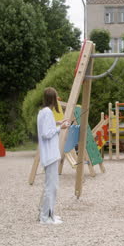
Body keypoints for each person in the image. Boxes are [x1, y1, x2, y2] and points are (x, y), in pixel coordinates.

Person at [37, 87, 69, 225]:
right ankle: (46, 218)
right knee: (51, 186)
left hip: (49, 154)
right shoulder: (48, 112)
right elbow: (46, 133)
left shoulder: (43, 112)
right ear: (53, 99)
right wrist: (59, 128)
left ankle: (48, 214)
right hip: (50, 155)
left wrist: (58, 122)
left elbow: (46, 127)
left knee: (50, 186)